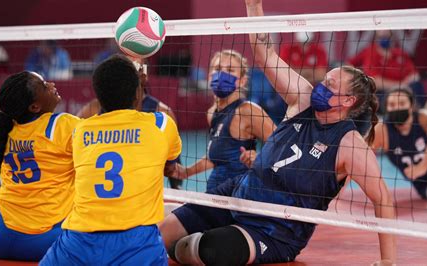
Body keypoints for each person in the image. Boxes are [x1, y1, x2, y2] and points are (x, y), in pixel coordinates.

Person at [159, 1, 397, 265]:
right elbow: (264, 55)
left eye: (330, 84)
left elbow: (383, 197)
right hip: (238, 194)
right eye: (324, 80)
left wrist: (388, 261)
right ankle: (183, 220)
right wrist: (254, 6)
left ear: (348, 101)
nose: (321, 85)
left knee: (202, 250)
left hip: (275, 229)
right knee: (161, 235)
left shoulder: (349, 144)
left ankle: (193, 230)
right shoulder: (303, 100)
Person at [40, 54, 182, 265]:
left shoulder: (79, 130)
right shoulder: (162, 124)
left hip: (79, 241)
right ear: (137, 94)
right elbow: (171, 164)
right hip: (137, 243)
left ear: (97, 96)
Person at [0, 71, 79, 261]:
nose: (51, 84)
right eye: (44, 85)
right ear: (35, 106)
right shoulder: (62, 124)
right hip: (45, 240)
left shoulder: (5, 128)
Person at [175, 49, 276, 192]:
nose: (222, 74)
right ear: (210, 77)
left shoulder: (248, 110)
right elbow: (216, 156)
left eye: (230, 70)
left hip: (241, 192)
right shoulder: (212, 113)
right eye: (217, 69)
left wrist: (259, 159)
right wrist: (186, 172)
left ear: (242, 81)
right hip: (215, 191)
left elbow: (281, 144)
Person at [77, 56, 183, 190]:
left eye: (137, 67)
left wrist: (177, 192)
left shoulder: (162, 111)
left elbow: (172, 169)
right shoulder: (92, 110)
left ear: (145, 75)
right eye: (129, 65)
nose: (132, 70)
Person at [373, 87, 427, 202]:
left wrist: (423, 166)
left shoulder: (422, 117)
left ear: (411, 105)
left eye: (402, 103)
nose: (397, 107)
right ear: (387, 109)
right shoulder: (382, 130)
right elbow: (359, 152)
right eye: (392, 105)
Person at [348, 30, 423, 108]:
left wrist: (404, 86)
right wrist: (401, 85)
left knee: (416, 86)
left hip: (404, 91)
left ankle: (417, 112)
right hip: (383, 92)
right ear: (376, 36)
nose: (384, 39)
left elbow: (415, 75)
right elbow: (375, 81)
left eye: (387, 36)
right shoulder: (370, 52)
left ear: (392, 36)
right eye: (381, 36)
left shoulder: (400, 53)